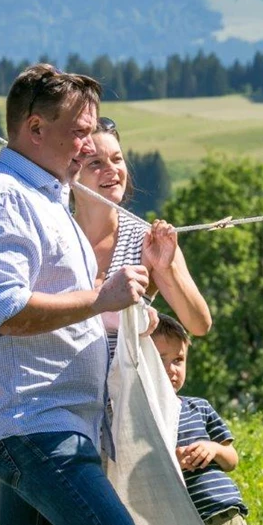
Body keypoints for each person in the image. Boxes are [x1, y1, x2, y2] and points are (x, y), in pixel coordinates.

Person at [0, 63, 158, 525]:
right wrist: (100, 298)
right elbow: (5, 311)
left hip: (50, 417)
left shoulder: (45, 198)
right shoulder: (0, 199)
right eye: (80, 131)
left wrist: (122, 316)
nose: (90, 144)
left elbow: (68, 314)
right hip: (29, 421)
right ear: (34, 128)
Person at [149, 314, 261, 525]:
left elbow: (231, 458)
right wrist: (172, 461)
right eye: (161, 360)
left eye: (178, 360)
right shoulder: (146, 418)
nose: (172, 370)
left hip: (223, 516)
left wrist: (212, 449)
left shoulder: (198, 407)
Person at [71, 116, 212, 358]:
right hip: (58, 389)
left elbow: (200, 324)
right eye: (95, 163)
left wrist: (166, 269)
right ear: (72, 172)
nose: (112, 170)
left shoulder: (146, 240)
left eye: (117, 159)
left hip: (122, 391)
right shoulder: (54, 232)